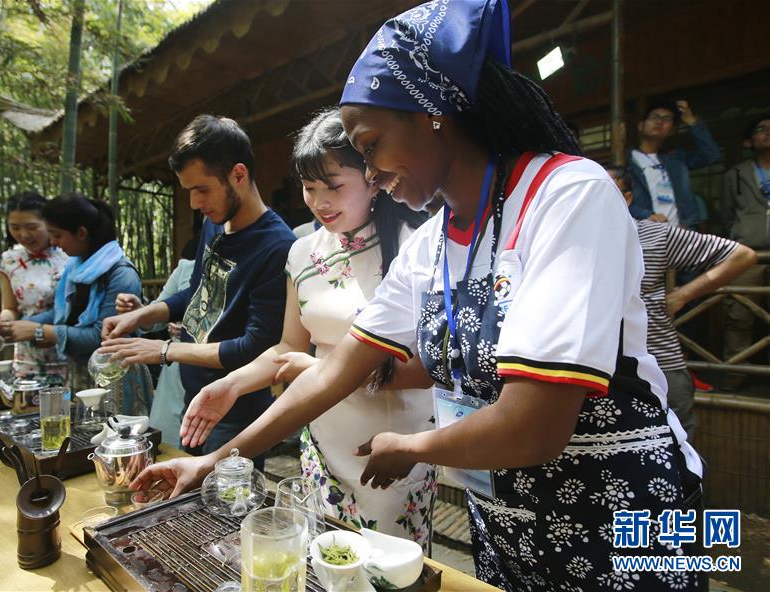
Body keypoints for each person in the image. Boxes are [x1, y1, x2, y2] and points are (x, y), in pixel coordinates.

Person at [132, 2, 709, 590]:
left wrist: (416, 445)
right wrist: (213, 461)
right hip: (507, 526)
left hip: (625, 520)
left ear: (433, 113)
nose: (371, 172)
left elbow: (537, 424)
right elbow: (333, 373)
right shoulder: (431, 244)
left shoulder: (566, 194)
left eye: (371, 144)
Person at [182, 108, 436, 544]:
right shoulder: (302, 254)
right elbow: (287, 346)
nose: (319, 202)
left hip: (390, 448)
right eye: (308, 187)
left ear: (373, 177)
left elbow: (432, 368)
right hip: (320, 438)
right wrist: (233, 385)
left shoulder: (419, 246)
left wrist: (318, 370)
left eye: (333, 186)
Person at [99, 115, 296, 470]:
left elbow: (254, 346)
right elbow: (196, 295)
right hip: (196, 397)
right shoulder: (214, 223)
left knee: (221, 510)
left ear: (238, 174)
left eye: (201, 189)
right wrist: (144, 314)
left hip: (235, 412)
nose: (193, 203)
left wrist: (164, 350)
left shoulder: (278, 246)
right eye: (188, 191)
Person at [607, 166, 756, 438]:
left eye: (607, 193)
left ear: (627, 199)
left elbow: (741, 256)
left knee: (680, 447)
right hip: (606, 368)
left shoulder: (655, 234)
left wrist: (683, 295)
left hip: (661, 361)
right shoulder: (579, 241)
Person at [1, 193, 153, 415]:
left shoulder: (120, 274)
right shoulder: (76, 267)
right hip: (80, 375)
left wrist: (41, 331)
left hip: (114, 377)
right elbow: (63, 313)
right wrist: (24, 325)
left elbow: (102, 337)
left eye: (57, 235)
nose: (53, 242)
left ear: (81, 233)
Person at [115, 239, 198, 446]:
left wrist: (192, 332)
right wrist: (139, 311)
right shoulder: (185, 269)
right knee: (166, 440)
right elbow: (158, 315)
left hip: (216, 369)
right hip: (175, 372)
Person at [0, 192, 68, 379]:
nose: (23, 235)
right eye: (14, 227)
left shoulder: (69, 254)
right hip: (28, 357)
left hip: (66, 351)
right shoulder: (9, 260)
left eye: (32, 227)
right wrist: (5, 323)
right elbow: (10, 307)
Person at [720, 115, 770, 385]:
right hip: (748, 253)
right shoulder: (736, 174)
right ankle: (735, 375)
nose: (767, 133)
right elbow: (727, 215)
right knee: (739, 315)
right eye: (761, 130)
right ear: (749, 141)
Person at [627, 99, 719, 229]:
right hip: (645, 233)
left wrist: (693, 123)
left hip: (681, 233)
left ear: (671, 130)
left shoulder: (676, 159)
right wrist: (645, 215)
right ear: (641, 126)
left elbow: (711, 155)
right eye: (655, 117)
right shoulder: (627, 161)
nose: (659, 121)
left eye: (667, 119)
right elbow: (617, 201)